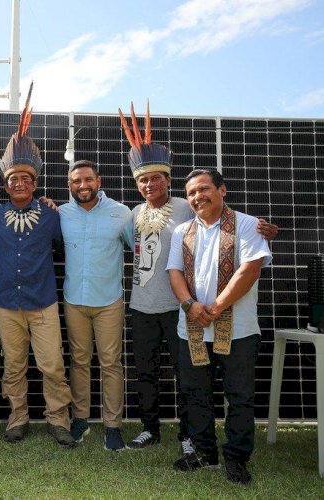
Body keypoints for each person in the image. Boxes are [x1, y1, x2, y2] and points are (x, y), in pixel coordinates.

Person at [118, 103, 279, 453]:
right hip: (152, 308)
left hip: (184, 310)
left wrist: (265, 230)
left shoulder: (188, 207)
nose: (149, 184)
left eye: (155, 178)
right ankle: (151, 429)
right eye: (142, 179)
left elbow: (244, 252)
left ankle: (191, 439)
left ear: (168, 180)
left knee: (190, 379)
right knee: (149, 373)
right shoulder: (132, 214)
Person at [0, 91, 74, 447]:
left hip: (43, 302)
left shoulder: (50, 215)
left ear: (35, 183)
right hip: (5, 304)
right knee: (13, 365)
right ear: (5, 183)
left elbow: (69, 244)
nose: (19, 183)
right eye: (13, 179)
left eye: (26, 179)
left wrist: (56, 207)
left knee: (52, 366)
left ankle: (58, 419)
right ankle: (18, 417)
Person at [167, 169, 272, 485]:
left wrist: (216, 307)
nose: (197, 196)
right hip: (193, 328)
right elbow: (174, 273)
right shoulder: (181, 231)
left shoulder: (249, 225)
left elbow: (250, 270)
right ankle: (203, 453)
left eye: (203, 189)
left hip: (238, 330)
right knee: (196, 393)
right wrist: (190, 305)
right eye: (191, 193)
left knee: (239, 396)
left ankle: (237, 460)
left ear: (222, 190)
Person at [59, 159, 133, 451]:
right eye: (76, 181)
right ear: (69, 185)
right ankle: (80, 419)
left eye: (88, 180)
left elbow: (140, 248)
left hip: (109, 301)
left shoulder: (121, 213)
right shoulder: (61, 214)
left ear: (98, 181)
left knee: (111, 363)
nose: (83, 186)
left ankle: (112, 426)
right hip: (74, 299)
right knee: (78, 361)